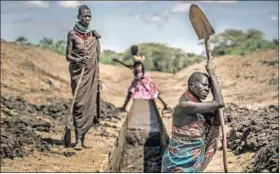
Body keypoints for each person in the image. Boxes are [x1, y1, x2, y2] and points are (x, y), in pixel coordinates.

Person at [161, 61, 224, 172]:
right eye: (204, 85)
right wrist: (212, 74)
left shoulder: (198, 108)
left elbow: (216, 122)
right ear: (191, 85)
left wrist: (217, 88)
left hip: (191, 162)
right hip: (179, 164)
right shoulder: (185, 107)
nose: (207, 89)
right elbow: (218, 103)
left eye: (209, 87)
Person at [65, 5, 101, 150]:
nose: (87, 19)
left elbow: (97, 60)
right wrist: (79, 60)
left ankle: (81, 139)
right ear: (78, 17)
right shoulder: (72, 34)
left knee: (89, 107)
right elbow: (68, 56)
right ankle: (77, 138)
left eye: (89, 16)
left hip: (91, 75)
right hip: (78, 74)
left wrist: (98, 79)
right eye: (84, 16)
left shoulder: (94, 36)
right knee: (79, 104)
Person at [119, 46, 169, 111]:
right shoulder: (140, 57)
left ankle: (124, 107)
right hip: (143, 76)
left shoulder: (135, 57)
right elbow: (135, 65)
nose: (131, 51)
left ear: (134, 51)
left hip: (139, 77)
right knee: (151, 91)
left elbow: (139, 65)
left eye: (132, 50)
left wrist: (138, 71)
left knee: (132, 91)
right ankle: (165, 104)